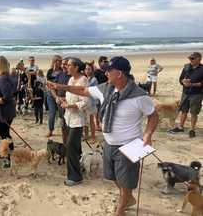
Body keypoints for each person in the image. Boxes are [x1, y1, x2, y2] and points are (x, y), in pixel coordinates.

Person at [48, 56, 158, 216]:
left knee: (126, 182)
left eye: (109, 71)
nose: (105, 74)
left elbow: (153, 116)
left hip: (130, 144)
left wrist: (147, 134)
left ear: (119, 73)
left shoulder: (139, 96)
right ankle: (128, 198)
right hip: (109, 142)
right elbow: (83, 90)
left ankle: (120, 209)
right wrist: (60, 86)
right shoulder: (106, 88)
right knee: (111, 176)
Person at [51, 57, 88, 186]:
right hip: (69, 117)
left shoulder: (83, 80)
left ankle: (75, 177)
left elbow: (84, 102)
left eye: (69, 65)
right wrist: (63, 101)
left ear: (77, 67)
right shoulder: (71, 79)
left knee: (71, 146)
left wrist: (70, 106)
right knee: (75, 146)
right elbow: (71, 97)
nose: (66, 66)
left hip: (78, 119)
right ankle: (79, 167)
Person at [169, 52, 203, 138]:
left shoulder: (202, 69)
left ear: (199, 59)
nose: (190, 60)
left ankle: (192, 130)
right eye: (190, 58)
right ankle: (181, 127)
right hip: (185, 93)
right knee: (184, 110)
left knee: (194, 112)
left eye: (192, 58)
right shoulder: (186, 67)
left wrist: (193, 84)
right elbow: (180, 79)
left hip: (196, 94)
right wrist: (183, 82)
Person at [51, 57, 71, 143]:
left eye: (65, 64)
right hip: (60, 107)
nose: (63, 66)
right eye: (62, 64)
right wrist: (56, 97)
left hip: (70, 107)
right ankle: (65, 146)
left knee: (70, 129)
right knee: (63, 127)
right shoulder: (59, 75)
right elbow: (52, 88)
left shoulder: (73, 76)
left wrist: (65, 99)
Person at [46, 55, 62, 137]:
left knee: (62, 114)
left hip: (60, 95)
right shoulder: (49, 71)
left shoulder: (62, 71)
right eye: (56, 61)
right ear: (53, 61)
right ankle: (50, 130)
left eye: (59, 61)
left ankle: (64, 130)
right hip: (51, 95)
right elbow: (49, 84)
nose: (58, 62)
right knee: (52, 113)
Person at [84, 62, 98, 143]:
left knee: (91, 120)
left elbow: (87, 89)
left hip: (91, 102)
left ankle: (93, 137)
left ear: (92, 70)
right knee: (85, 119)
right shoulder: (85, 78)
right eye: (86, 69)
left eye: (89, 69)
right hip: (85, 101)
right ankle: (86, 135)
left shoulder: (94, 79)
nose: (87, 71)